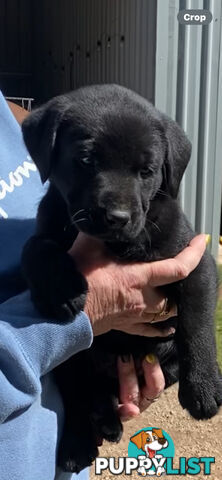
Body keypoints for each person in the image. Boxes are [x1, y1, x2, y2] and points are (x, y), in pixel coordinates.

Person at [0, 91, 206, 480]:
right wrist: (91, 309)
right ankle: (87, 412)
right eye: (86, 163)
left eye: (145, 173)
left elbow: (194, 271)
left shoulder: (9, 115)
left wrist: (189, 360)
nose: (119, 206)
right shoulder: (52, 143)